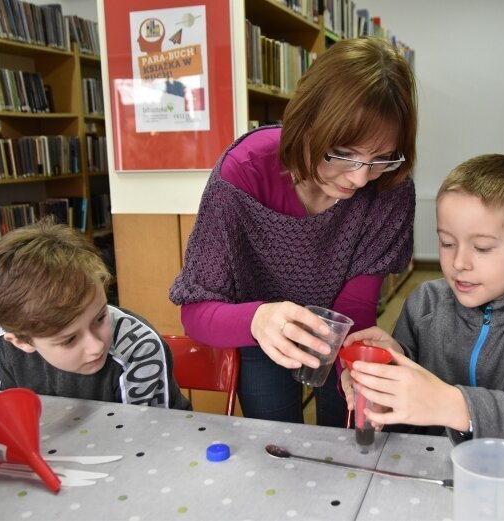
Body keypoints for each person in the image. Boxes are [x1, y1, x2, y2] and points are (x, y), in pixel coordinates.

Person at [169, 36, 417, 427]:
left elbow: (353, 311)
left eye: (381, 158)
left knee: (345, 436)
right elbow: (196, 311)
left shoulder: (390, 187)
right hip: (257, 334)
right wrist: (256, 320)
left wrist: (353, 374)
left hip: (341, 336)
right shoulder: (244, 172)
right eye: (344, 154)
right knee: (276, 445)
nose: (359, 178)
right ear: (306, 122)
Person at [341, 154, 504, 458]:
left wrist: (454, 405)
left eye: (482, 248)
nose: (459, 263)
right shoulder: (425, 303)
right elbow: (405, 420)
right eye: (447, 243)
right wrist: (388, 374)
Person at [0, 220, 191, 411]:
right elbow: (18, 421)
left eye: (100, 318)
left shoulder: (139, 348)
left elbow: (148, 440)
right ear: (22, 342)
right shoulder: (8, 341)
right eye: (69, 339)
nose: (96, 346)